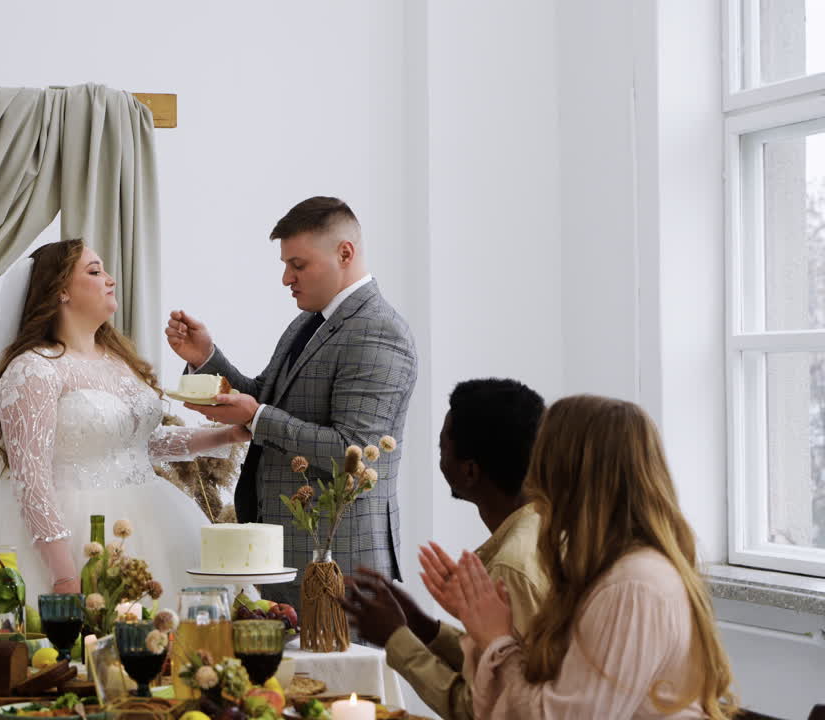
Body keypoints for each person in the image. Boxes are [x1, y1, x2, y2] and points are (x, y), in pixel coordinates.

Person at [0, 239, 249, 620]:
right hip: (75, 534)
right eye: (94, 272)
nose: (110, 280)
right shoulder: (34, 369)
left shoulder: (118, 361)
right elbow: (31, 479)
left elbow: (140, 446)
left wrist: (226, 435)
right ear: (59, 290)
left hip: (155, 517)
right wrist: (63, 577)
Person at [423, 395, 738, 719]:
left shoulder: (633, 584)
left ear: (564, 473)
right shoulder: (602, 570)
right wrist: (480, 626)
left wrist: (497, 640)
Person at [166, 196, 417, 602]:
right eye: (285, 265)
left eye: (297, 265)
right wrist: (206, 358)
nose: (286, 278)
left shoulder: (379, 331)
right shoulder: (308, 320)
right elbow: (266, 397)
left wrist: (259, 417)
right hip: (286, 550)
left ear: (345, 253)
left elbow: (354, 450)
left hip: (338, 558)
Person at [342, 378, 548, 719]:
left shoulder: (511, 566)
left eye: (443, 449)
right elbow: (497, 668)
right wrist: (425, 629)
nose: (440, 461)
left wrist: (396, 638)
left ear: (470, 471)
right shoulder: (546, 529)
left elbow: (489, 708)